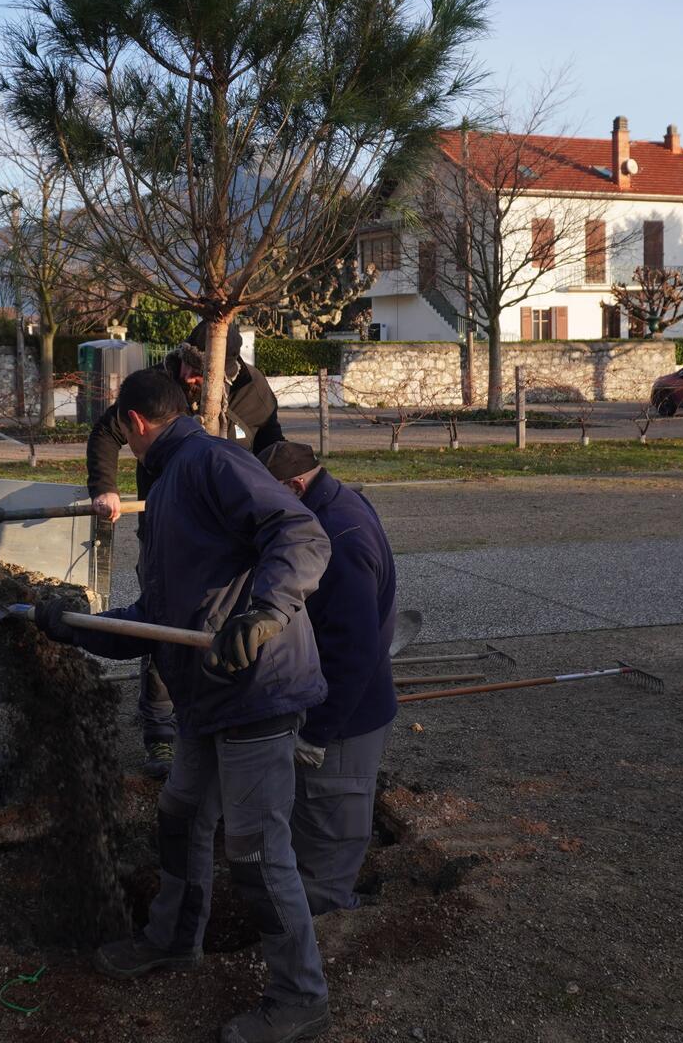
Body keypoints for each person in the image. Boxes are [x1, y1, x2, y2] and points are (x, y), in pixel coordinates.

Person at [37, 367, 335, 1043]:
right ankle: (174, 938)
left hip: (256, 685)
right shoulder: (169, 480)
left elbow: (301, 533)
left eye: (121, 432)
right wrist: (76, 626)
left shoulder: (211, 463)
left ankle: (301, 998)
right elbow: (158, 618)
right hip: (207, 693)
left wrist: (266, 612)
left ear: (135, 423)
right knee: (180, 816)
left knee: (255, 852)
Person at [86, 321, 286, 776]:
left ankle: (223, 713)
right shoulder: (157, 388)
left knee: (228, 622)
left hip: (232, 535)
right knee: (163, 623)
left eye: (203, 372)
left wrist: (283, 482)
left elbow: (271, 441)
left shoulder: (253, 390)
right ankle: (160, 732)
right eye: (190, 368)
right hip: (167, 528)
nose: (192, 378)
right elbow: (107, 431)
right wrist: (105, 488)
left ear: (226, 371)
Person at [258, 440, 399, 916]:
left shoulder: (339, 539)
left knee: (329, 832)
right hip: (341, 706)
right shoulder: (339, 501)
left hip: (345, 720)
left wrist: (318, 732)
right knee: (317, 821)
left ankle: (329, 926)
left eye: (269, 496)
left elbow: (353, 651)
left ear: (296, 486)